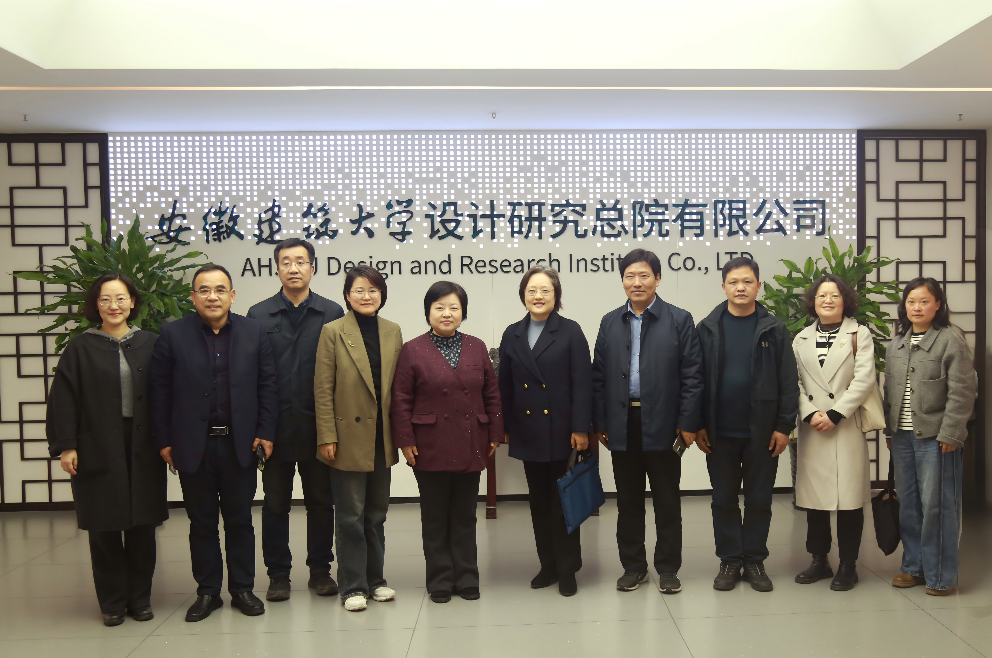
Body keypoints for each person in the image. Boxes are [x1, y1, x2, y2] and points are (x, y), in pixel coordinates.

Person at [149, 264, 278, 622]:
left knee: (240, 521)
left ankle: (242, 588)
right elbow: (159, 391)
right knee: (201, 523)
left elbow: (268, 385)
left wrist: (266, 431)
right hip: (193, 445)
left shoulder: (254, 331)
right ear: (193, 297)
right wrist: (164, 440)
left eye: (220, 289)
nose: (212, 296)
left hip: (240, 444)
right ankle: (208, 591)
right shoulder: (172, 334)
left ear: (232, 295)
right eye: (204, 290)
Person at [46, 274, 167, 627]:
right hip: (96, 443)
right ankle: (112, 601)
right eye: (105, 300)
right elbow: (63, 400)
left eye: (121, 298)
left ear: (133, 302)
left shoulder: (151, 343)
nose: (114, 306)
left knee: (143, 525)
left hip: (144, 443)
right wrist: (67, 445)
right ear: (95, 305)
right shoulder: (80, 348)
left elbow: (168, 395)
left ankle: (140, 599)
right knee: (104, 526)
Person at [591, 249, 704, 595]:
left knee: (667, 500)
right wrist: (600, 421)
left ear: (657, 278)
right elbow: (598, 377)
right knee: (628, 501)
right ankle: (634, 567)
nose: (636, 282)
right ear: (622, 280)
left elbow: (693, 376)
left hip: (666, 423)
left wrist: (687, 423)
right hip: (622, 422)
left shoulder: (679, 319)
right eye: (630, 276)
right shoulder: (610, 322)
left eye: (644, 275)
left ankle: (668, 568)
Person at [391, 281, 504, 604]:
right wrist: (405, 440)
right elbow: (401, 398)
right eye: (439, 307)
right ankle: (440, 579)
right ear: (428, 312)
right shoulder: (412, 349)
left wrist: (495, 433)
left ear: (463, 313)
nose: (446, 313)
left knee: (465, 515)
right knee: (435, 516)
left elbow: (492, 394)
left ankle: (466, 577)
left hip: (471, 440)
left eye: (454, 307)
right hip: (429, 444)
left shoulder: (476, 346)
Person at [247, 238, 344, 602]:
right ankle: (278, 575)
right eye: (286, 262)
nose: (293, 268)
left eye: (301, 262)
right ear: (277, 269)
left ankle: (320, 570)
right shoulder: (258, 315)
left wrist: (333, 429)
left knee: (321, 502)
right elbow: (253, 377)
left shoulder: (332, 312)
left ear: (312, 268)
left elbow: (340, 375)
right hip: (274, 430)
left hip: (319, 429)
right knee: (275, 505)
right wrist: (260, 429)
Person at [695, 257, 799, 592]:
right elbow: (695, 380)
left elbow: (788, 381)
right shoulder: (707, 328)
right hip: (719, 432)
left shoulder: (774, 328)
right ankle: (729, 560)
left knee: (759, 499)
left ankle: (754, 559)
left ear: (758, 286)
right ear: (723, 286)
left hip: (763, 433)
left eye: (747, 282)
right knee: (723, 499)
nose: (740, 288)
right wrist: (698, 424)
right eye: (734, 282)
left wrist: (783, 426)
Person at [498, 266, 592, 597]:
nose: (538, 296)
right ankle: (547, 565)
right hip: (528, 431)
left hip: (563, 433)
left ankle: (567, 569)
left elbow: (583, 384)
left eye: (545, 290)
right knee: (538, 503)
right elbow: (505, 386)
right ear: (523, 295)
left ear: (556, 295)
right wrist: (504, 427)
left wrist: (581, 428)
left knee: (564, 503)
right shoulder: (512, 333)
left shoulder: (570, 331)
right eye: (531, 290)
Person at [314, 265, 403, 612]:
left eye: (373, 290)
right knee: (351, 515)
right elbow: (323, 388)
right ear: (347, 296)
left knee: (376, 514)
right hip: (347, 436)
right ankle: (352, 585)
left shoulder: (392, 331)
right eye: (359, 290)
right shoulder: (333, 331)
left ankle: (376, 580)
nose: (367, 296)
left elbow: (399, 388)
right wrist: (326, 435)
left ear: (382, 295)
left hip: (382, 436)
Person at [883, 277, 976, 596]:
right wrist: (889, 430)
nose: (917, 307)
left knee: (938, 506)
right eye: (911, 301)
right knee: (909, 505)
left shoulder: (950, 339)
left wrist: (952, 432)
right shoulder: (896, 342)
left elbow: (963, 391)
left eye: (924, 301)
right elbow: (889, 391)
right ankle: (913, 567)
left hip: (937, 438)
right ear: (904, 306)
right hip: (902, 437)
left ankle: (940, 577)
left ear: (938, 305)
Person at [792, 274, 875, 590]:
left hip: (845, 426)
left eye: (834, 295)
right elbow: (793, 382)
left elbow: (864, 379)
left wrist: (837, 414)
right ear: (813, 302)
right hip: (814, 427)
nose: (827, 300)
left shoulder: (859, 334)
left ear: (845, 301)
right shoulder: (800, 339)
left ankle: (848, 565)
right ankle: (819, 560)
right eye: (821, 296)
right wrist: (810, 413)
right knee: (815, 500)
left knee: (849, 500)